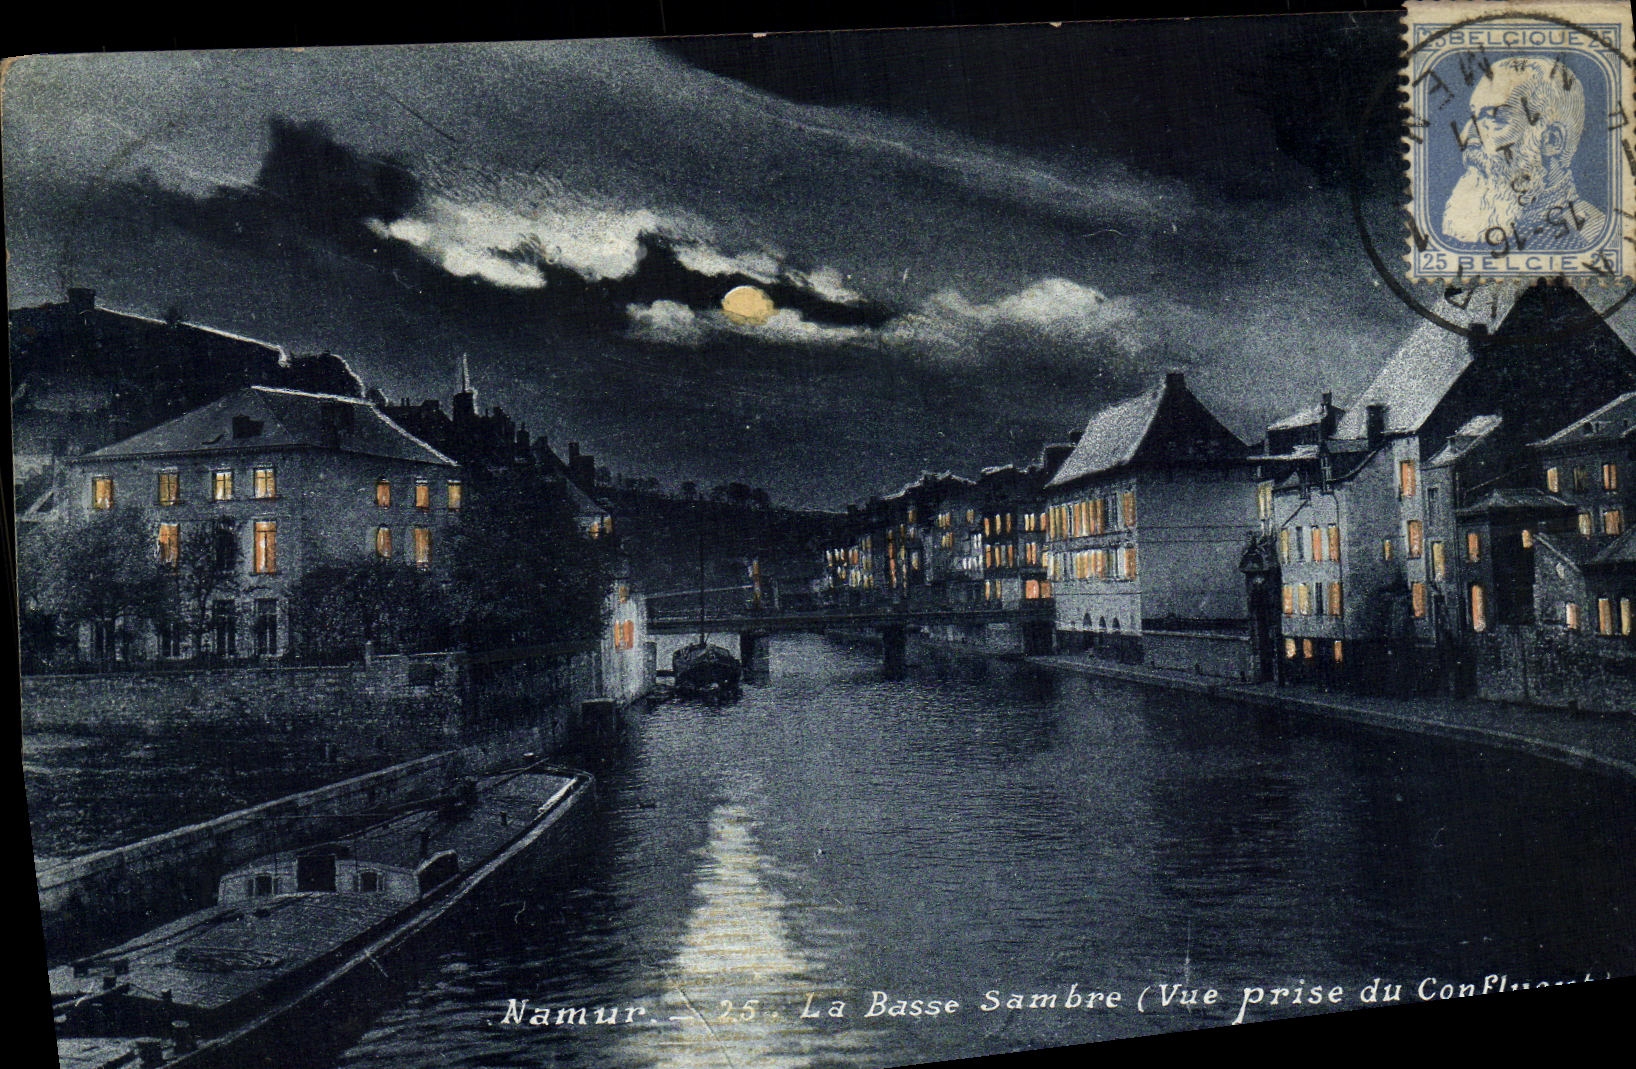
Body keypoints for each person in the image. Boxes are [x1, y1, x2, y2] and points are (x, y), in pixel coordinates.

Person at [1441, 55, 1607, 252]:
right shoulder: (1469, 230)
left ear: (1552, 141)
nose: (1466, 137)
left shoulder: (1592, 240)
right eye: (1473, 116)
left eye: (1493, 118)